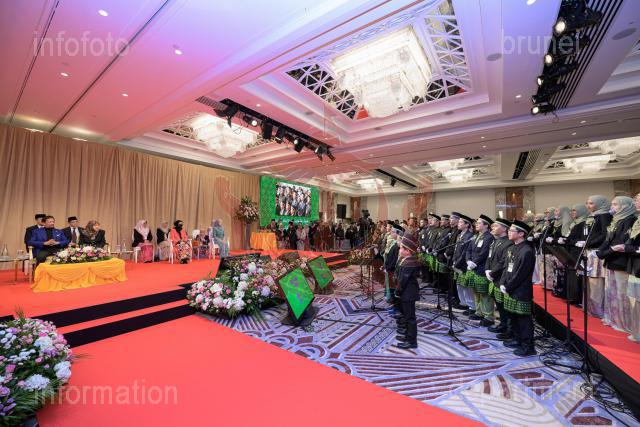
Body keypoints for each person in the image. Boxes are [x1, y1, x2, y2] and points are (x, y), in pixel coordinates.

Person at [597, 196, 636, 333]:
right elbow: (609, 240)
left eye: (615, 204)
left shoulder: (630, 220)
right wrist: (602, 252)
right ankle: (615, 319)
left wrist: (606, 252)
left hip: (621, 261)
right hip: (611, 259)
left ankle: (625, 324)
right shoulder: (616, 220)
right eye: (612, 204)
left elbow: (622, 241)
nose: (612, 207)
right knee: (612, 292)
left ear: (624, 206)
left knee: (622, 294)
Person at [500, 220, 537, 357]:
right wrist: (502, 283)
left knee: (523, 320)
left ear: (521, 234)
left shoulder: (527, 251)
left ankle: (528, 347)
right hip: (510, 288)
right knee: (513, 317)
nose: (508, 232)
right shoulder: (511, 248)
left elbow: (521, 274)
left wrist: (508, 286)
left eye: (512, 231)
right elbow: (506, 268)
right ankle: (517, 340)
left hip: (521, 291)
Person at [581, 195, 613, 318]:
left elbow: (605, 235)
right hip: (588, 251)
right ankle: (589, 307)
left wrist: (589, 243)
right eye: (587, 203)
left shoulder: (604, 215)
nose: (588, 206)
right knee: (589, 281)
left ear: (599, 204)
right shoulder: (592, 216)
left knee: (596, 282)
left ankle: (597, 310)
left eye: (591, 203)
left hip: (596, 252)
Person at [617, 192, 640, 342]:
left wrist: (629, 248)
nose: (635, 202)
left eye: (638, 200)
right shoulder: (637, 221)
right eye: (635, 200)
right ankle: (637, 332)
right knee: (635, 300)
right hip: (635, 264)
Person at [486, 218, 514, 339]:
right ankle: (503, 324)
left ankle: (508, 328)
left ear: (504, 229)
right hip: (493, 277)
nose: (492, 228)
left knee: (504, 305)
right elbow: (489, 257)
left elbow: (503, 262)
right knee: (499, 304)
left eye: (496, 226)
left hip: (500, 277)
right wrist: (487, 269)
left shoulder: (508, 243)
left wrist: (492, 273)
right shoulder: (495, 241)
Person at [465, 215, 495, 326]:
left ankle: (488, 316)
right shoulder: (475, 236)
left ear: (486, 225)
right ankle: (479, 312)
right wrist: (468, 260)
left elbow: (484, 253)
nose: (476, 225)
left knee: (484, 293)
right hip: (473, 268)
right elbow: (468, 250)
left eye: (479, 223)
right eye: (476, 223)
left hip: (482, 268)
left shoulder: (489, 237)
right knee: (476, 291)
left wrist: (474, 262)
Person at [394, 234, 421, 349]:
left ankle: (412, 341)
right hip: (407, 293)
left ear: (408, 251)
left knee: (410, 318)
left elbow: (402, 281)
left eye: (401, 248)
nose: (399, 249)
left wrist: (398, 292)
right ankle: (407, 336)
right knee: (407, 316)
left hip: (408, 294)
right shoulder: (407, 260)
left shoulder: (409, 264)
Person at [562, 204, 589, 305]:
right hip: (571, 251)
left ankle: (576, 298)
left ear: (581, 211)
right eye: (572, 210)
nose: (572, 212)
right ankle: (571, 296)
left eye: (574, 210)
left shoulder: (583, 223)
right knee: (571, 274)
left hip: (578, 252)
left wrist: (570, 241)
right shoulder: (575, 223)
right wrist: (566, 240)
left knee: (576, 275)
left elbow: (582, 238)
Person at [452, 214, 475, 314]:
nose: (458, 223)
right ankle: (463, 303)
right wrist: (454, 260)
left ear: (467, 225)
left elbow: (465, 252)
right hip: (457, 263)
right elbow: (456, 250)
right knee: (459, 285)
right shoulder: (459, 235)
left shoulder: (469, 236)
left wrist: (457, 263)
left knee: (466, 287)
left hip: (463, 265)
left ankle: (471, 306)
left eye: (461, 222)